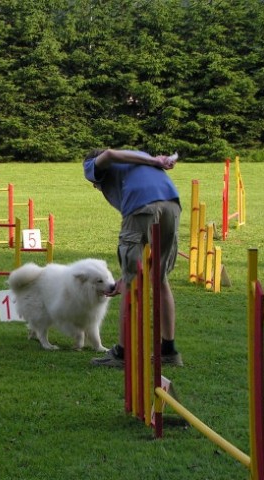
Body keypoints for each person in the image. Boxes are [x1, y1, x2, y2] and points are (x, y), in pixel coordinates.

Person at [83, 148, 183, 367]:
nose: (96, 186)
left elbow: (108, 154)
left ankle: (122, 354)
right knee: (159, 277)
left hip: (141, 205)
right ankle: (169, 351)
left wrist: (155, 160)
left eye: (95, 184)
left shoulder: (93, 165)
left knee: (132, 283)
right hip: (172, 204)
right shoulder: (138, 157)